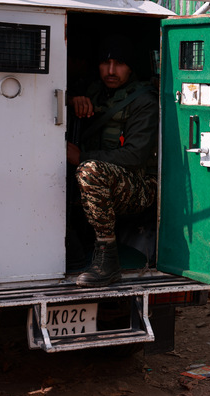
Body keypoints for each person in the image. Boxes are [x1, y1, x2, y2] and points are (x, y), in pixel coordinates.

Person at [67, 35, 158, 288]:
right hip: (108, 183)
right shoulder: (94, 91)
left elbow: (133, 156)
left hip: (141, 186)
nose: (110, 70)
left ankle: (107, 261)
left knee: (89, 171)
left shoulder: (144, 101)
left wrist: (81, 157)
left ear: (131, 67)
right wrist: (72, 100)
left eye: (119, 63)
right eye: (105, 63)